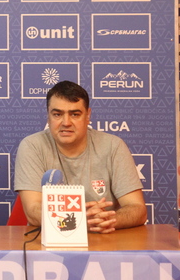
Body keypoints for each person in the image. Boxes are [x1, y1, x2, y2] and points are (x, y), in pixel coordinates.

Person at [14, 80, 147, 233]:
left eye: (75, 114)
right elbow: (33, 212)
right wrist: (80, 221)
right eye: (57, 114)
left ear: (88, 115)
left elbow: (137, 209)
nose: (66, 122)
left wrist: (106, 220)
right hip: (52, 240)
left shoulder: (113, 146)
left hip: (104, 238)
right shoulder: (32, 146)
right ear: (48, 116)